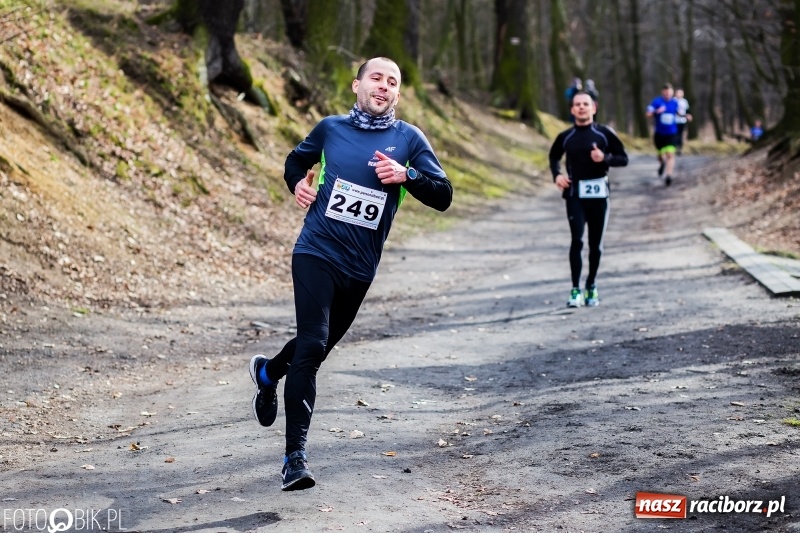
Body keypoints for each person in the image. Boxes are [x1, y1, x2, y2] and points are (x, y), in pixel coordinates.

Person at [248, 57, 453, 491]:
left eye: (392, 82)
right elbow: (293, 161)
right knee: (312, 345)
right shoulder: (330, 129)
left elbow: (444, 196)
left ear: (397, 94)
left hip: (359, 269)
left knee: (313, 349)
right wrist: (297, 185)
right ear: (357, 84)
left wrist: (407, 175)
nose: (383, 86)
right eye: (376, 78)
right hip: (316, 251)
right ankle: (294, 460)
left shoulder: (409, 139)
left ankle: (267, 374)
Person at [549, 91, 629, 308]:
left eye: (586, 104)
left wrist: (605, 158)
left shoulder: (604, 134)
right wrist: (557, 175)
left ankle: (591, 286)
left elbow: (624, 159)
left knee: (596, 244)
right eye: (577, 104)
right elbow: (554, 156)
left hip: (599, 194)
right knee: (577, 241)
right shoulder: (566, 136)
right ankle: (575, 289)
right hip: (575, 194)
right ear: (572, 110)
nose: (582, 107)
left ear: (594, 107)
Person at [646, 83, 680, 186]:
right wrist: (657, 112)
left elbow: (681, 112)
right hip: (659, 134)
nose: (667, 95)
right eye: (665, 94)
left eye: (669, 93)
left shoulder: (675, 103)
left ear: (672, 93)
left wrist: (687, 115)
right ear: (662, 92)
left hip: (671, 133)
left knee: (670, 154)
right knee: (660, 155)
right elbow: (648, 114)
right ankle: (662, 163)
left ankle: (668, 175)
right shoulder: (656, 102)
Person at [674, 88, 692, 155]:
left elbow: (687, 110)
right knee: (675, 134)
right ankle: (674, 147)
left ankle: (679, 148)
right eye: (678, 93)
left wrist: (689, 115)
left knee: (681, 135)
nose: (679, 94)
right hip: (674, 120)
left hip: (682, 121)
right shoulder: (673, 101)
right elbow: (675, 111)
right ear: (675, 93)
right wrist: (684, 115)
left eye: (681, 93)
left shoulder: (684, 101)